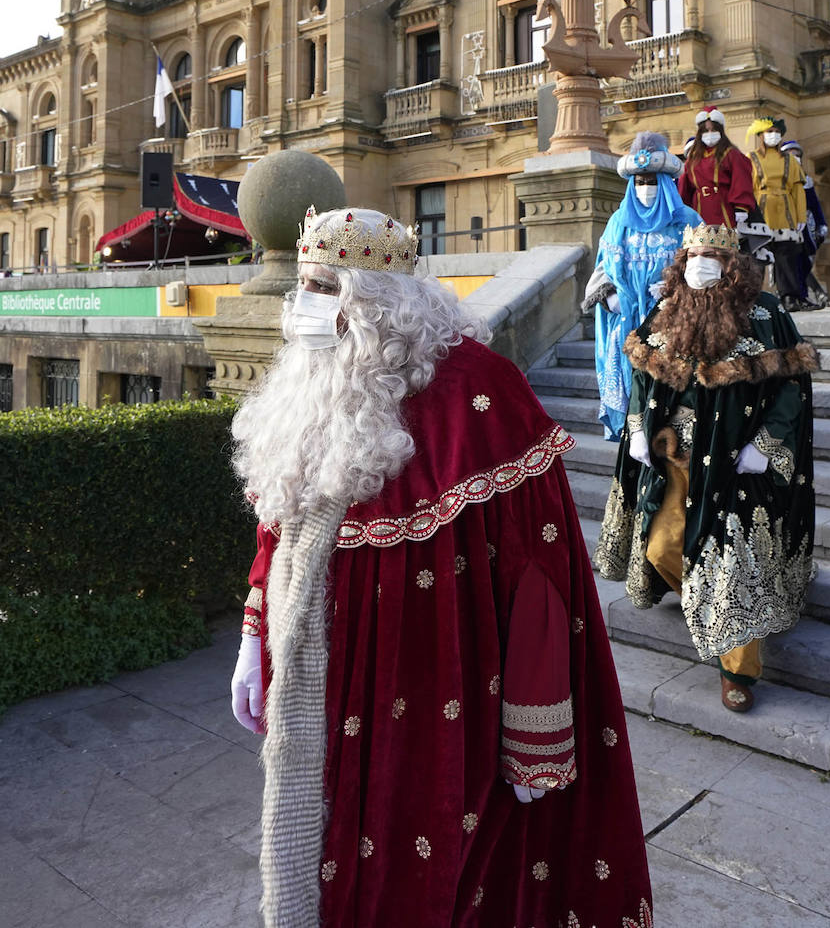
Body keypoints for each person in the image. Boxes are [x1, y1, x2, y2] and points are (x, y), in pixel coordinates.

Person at [230, 207, 652, 928]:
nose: (304, 305)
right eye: (301, 286)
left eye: (323, 286)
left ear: (376, 296)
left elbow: (541, 571)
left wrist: (537, 731)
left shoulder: (479, 390)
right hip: (324, 685)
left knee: (438, 884)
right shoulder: (311, 380)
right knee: (325, 860)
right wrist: (252, 636)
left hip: (448, 693)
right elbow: (281, 524)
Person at [594, 221, 818, 714]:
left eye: (711, 259)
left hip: (738, 461)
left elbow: (793, 385)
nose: (700, 265)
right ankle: (707, 600)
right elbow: (641, 379)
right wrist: (634, 428)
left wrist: (767, 442)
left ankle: (736, 669)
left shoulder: (767, 314)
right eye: (693, 257)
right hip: (673, 456)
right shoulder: (664, 311)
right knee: (661, 547)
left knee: (734, 559)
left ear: (731, 267)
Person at [584, 130, 700, 440]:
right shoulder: (618, 221)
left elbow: (708, 270)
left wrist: (675, 289)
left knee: (667, 407)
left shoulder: (687, 219)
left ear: (665, 183)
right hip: (627, 325)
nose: (644, 187)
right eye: (638, 181)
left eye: (651, 181)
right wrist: (608, 296)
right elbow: (602, 267)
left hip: (671, 324)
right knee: (632, 404)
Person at [745, 116, 808, 308]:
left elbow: (797, 190)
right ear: (761, 134)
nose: (773, 135)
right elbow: (747, 187)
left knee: (786, 256)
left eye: (776, 132)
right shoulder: (751, 158)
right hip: (760, 210)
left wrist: (800, 215)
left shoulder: (790, 160)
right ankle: (753, 297)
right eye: (769, 131)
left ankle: (789, 297)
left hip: (785, 209)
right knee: (757, 256)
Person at [677, 106, 756, 235]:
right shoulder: (693, 157)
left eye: (713, 130)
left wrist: (741, 206)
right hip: (699, 206)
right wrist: (682, 207)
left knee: (723, 242)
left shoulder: (731, 154)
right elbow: (685, 185)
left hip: (722, 205)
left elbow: (741, 179)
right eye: (706, 130)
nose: (709, 134)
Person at [780, 139, 830, 307]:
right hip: (785, 223)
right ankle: (793, 296)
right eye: (791, 155)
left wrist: (821, 223)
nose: (795, 158)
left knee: (806, 260)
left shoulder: (806, 179)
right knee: (790, 261)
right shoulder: (779, 178)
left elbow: (814, 204)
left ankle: (803, 295)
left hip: (806, 226)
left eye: (798, 155)